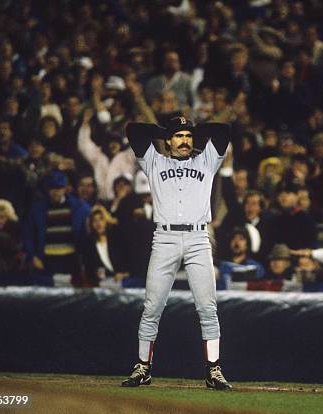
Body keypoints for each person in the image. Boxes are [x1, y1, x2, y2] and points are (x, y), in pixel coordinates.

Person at [121, 116, 232, 390]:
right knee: (152, 306)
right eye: (179, 136)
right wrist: (165, 132)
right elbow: (132, 130)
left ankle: (214, 370)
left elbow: (225, 130)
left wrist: (191, 129)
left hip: (198, 237)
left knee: (207, 307)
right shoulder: (154, 160)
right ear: (168, 141)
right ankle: (143, 367)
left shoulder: (206, 160)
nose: (185, 141)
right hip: (165, 237)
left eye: (188, 136)